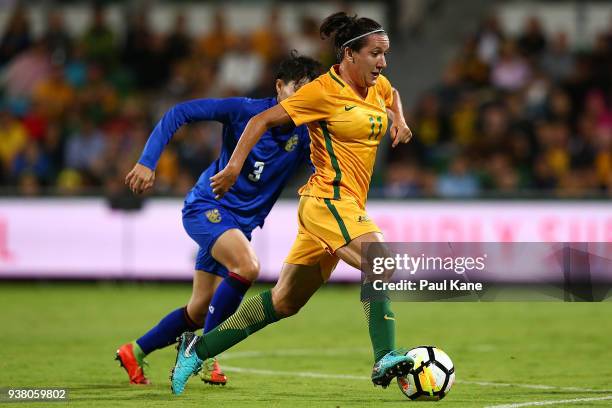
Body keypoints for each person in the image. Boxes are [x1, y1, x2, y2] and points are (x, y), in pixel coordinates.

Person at [169, 12, 413, 395]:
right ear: (349, 54)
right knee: (378, 260)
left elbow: (392, 94)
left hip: (345, 206)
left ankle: (198, 347)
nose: (383, 63)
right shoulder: (322, 92)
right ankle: (385, 355)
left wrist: (398, 119)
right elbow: (260, 121)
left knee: (284, 302)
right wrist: (234, 167)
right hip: (327, 201)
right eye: (375, 54)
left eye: (385, 54)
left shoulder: (376, 85)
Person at [115, 53, 322, 385]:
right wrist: (147, 162)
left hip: (239, 225)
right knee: (248, 267)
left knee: (198, 310)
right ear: (280, 87)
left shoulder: (306, 132)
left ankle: (135, 351)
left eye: (312, 93)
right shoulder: (244, 111)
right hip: (208, 207)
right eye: (299, 90)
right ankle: (203, 354)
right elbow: (178, 113)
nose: (305, 99)